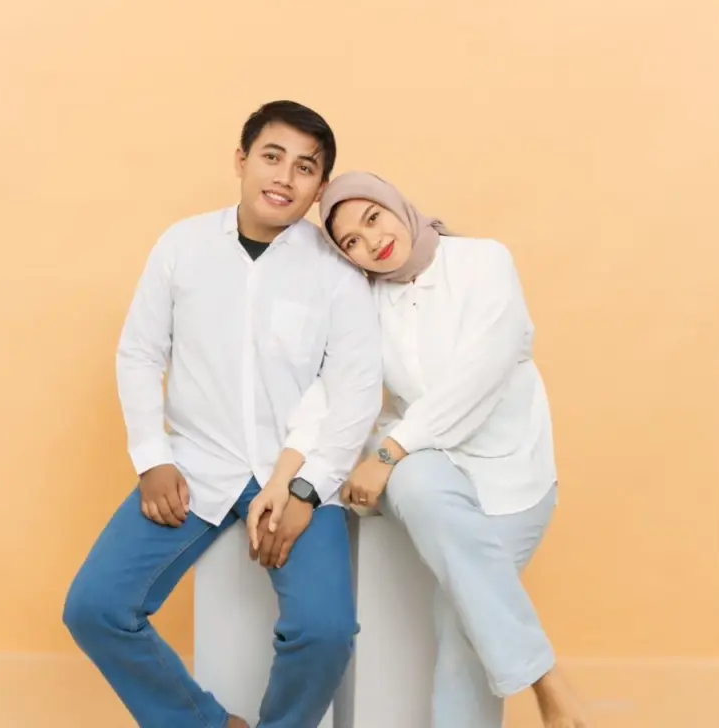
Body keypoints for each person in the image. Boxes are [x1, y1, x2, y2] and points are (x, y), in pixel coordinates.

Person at [63, 102, 383, 728]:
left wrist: (308, 488)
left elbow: (354, 389)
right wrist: (152, 458)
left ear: (320, 186)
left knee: (324, 630)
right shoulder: (181, 246)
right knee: (96, 607)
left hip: (295, 473)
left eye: (305, 168)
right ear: (241, 160)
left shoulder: (336, 271)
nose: (284, 177)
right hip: (195, 465)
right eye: (272, 157)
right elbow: (140, 353)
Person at [316, 171, 589, 728]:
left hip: (511, 474)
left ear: (397, 205)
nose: (373, 241)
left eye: (374, 218)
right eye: (352, 241)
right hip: (429, 467)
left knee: (463, 622)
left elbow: (478, 379)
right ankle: (547, 680)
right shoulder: (368, 303)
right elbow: (359, 391)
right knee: (416, 483)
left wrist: (388, 453)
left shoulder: (484, 261)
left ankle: (546, 688)